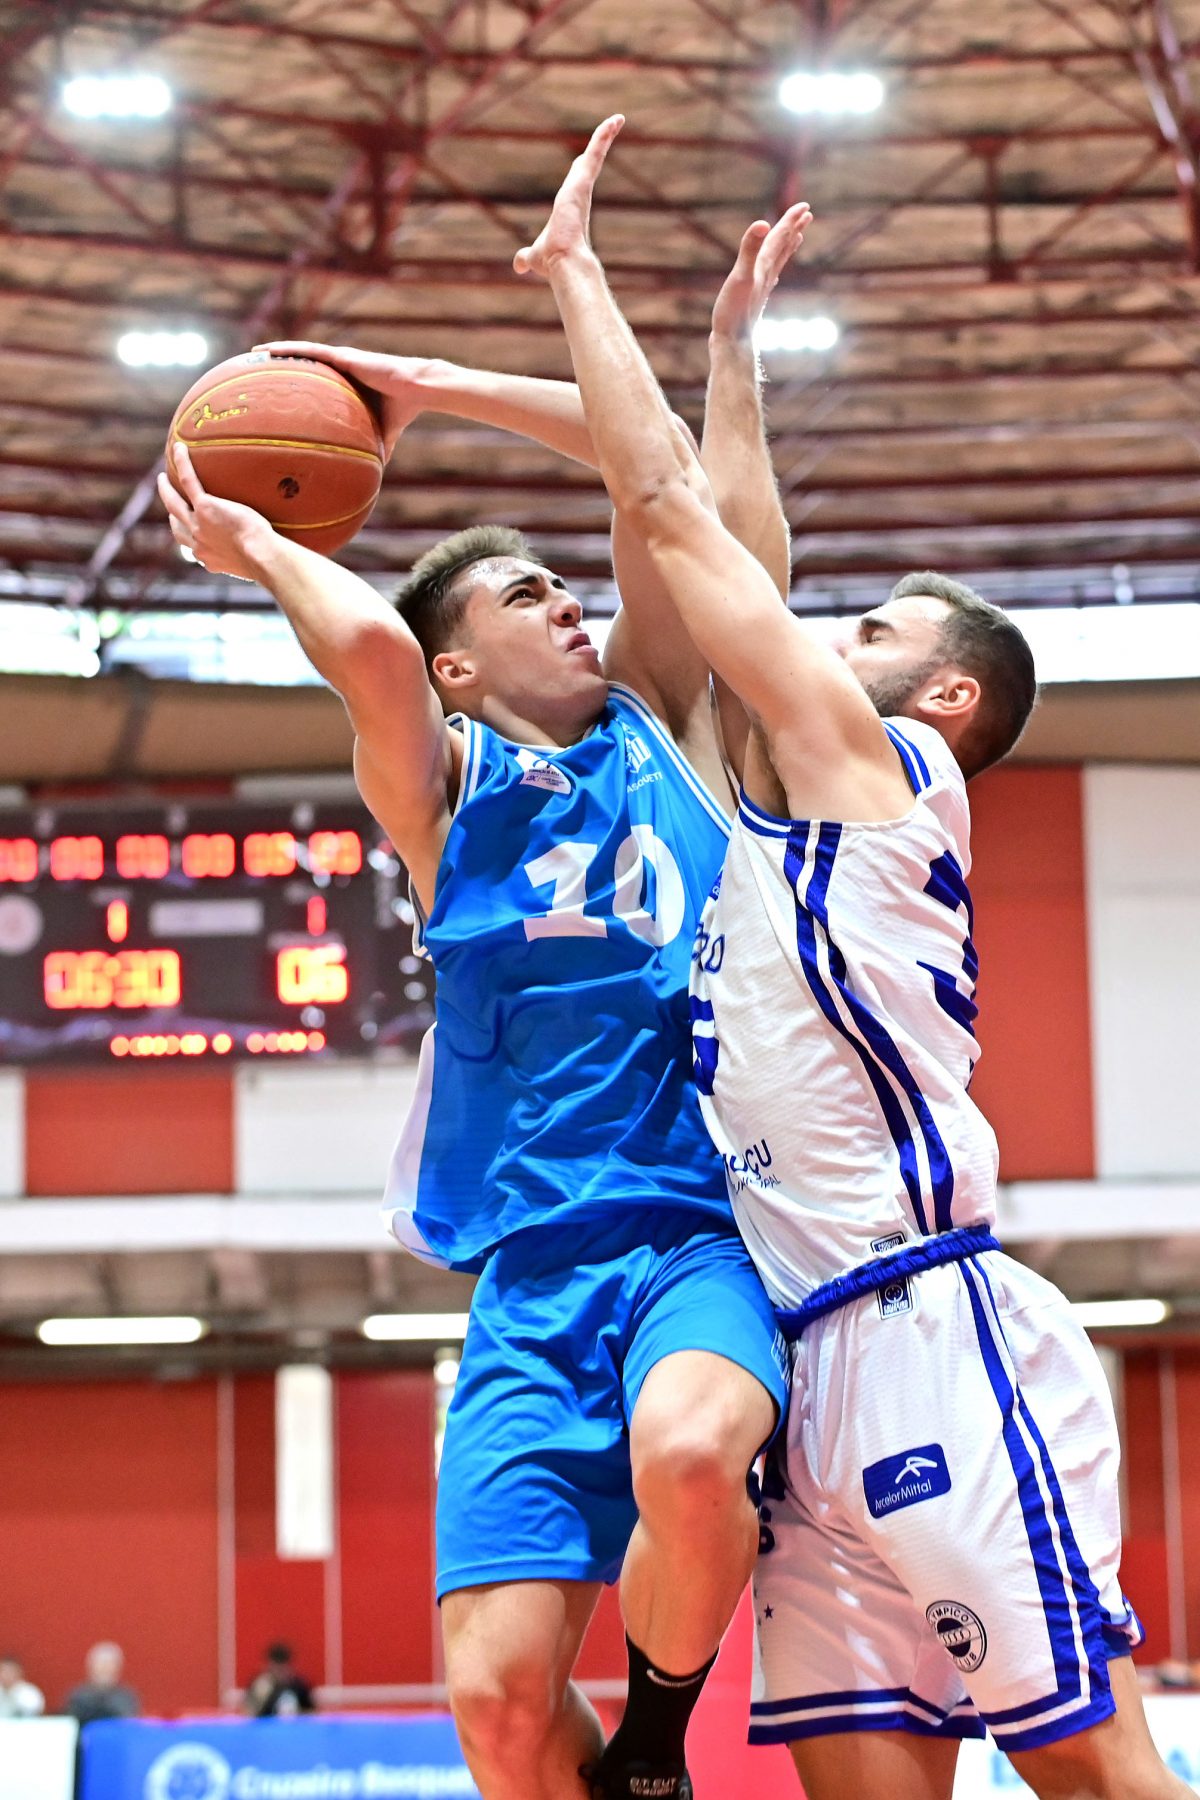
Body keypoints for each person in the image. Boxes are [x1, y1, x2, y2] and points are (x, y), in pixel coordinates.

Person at [514, 113, 1191, 1800]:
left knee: (1099, 1774)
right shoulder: (787, 785)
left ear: (944, 697)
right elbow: (734, 558)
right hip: (804, 1362)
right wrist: (731, 355)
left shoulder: (884, 773)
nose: (833, 636)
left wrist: (579, 277)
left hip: (928, 1328)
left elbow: (676, 522)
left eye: (876, 632)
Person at [156, 208, 810, 1800]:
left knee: (691, 1455)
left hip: (702, 1234)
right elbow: (373, 653)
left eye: (562, 585)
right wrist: (262, 546)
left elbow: (663, 484)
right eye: (527, 595)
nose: (568, 604)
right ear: (461, 668)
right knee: (499, 1707)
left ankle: (654, 1749)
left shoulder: (669, 721)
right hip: (529, 1272)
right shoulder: (448, 792)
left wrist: (433, 382)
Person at [63, 1641, 139, 1726]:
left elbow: (128, 1723)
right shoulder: (77, 1696)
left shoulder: (126, 1697)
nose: (105, 1669)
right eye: (101, 1665)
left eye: (109, 1665)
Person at [245, 1642, 315, 1718]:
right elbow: (249, 1712)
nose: (279, 1673)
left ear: (289, 1667)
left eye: (282, 1669)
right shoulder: (260, 1685)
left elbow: (312, 1712)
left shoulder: (298, 1685)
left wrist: (296, 1713)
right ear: (269, 1666)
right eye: (276, 1669)